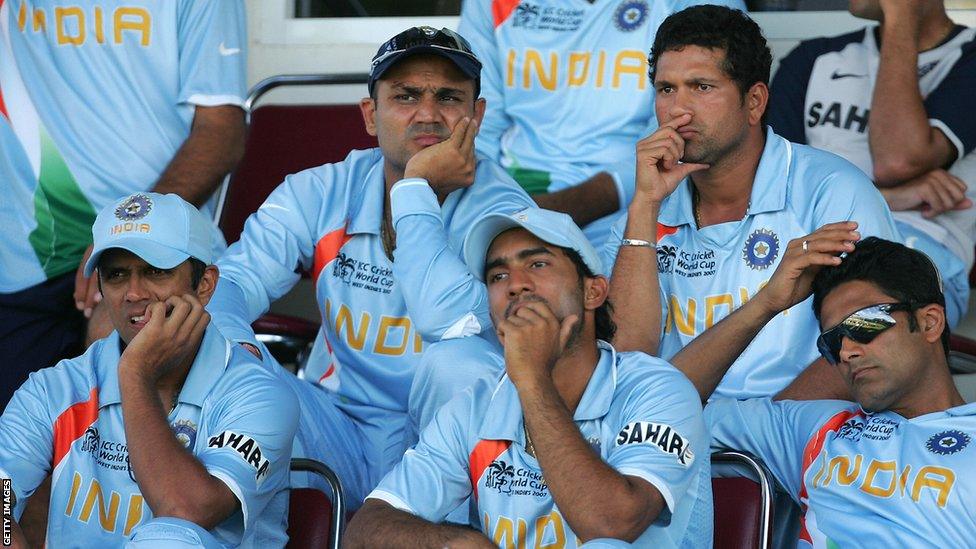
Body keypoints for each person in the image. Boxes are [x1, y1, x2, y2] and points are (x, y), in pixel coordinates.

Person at [207, 26, 534, 507]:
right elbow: (231, 281)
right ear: (370, 115)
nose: (427, 114)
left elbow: (454, 327)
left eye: (448, 97)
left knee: (459, 362)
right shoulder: (320, 190)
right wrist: (237, 348)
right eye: (406, 96)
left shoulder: (504, 208)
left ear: (476, 116)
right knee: (215, 355)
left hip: (446, 442)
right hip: (336, 423)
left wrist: (414, 190)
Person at [344, 207, 711, 548]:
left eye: (537, 263)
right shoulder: (477, 404)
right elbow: (364, 529)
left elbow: (610, 524)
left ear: (593, 291)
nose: (515, 284)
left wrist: (533, 378)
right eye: (498, 275)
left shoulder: (659, 389)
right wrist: (461, 544)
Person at [605, 5, 900, 401]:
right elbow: (627, 357)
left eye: (702, 87)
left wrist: (758, 431)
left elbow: (873, 337)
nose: (678, 109)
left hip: (796, 434)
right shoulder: (644, 210)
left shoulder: (832, 191)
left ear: (755, 102)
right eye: (666, 89)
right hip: (670, 436)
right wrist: (644, 205)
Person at [0, 192, 298, 548]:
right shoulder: (56, 388)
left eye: (155, 271)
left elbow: (186, 508)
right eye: (116, 275)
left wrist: (134, 374)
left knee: (170, 539)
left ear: (205, 286)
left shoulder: (257, 394)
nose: (133, 293)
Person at [0, 0, 247, 409]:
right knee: (20, 461)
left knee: (132, 419)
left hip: (155, 251)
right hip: (25, 260)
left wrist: (125, 234)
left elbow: (221, 133)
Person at [667, 225, 975, 547]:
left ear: (929, 322)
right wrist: (765, 305)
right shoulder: (818, 429)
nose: (846, 351)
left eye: (863, 324)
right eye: (832, 341)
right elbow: (662, 406)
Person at [458, 0, 745, 248]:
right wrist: (501, 208)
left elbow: (693, 127)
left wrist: (574, 205)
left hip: (642, 208)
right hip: (517, 201)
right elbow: (479, 125)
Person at [767, 0, 976, 328]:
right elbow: (774, 187)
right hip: (812, 244)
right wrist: (893, 197)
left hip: (917, 254)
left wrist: (900, 14)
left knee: (867, 333)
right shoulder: (812, 59)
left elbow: (898, 159)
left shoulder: (969, 58)